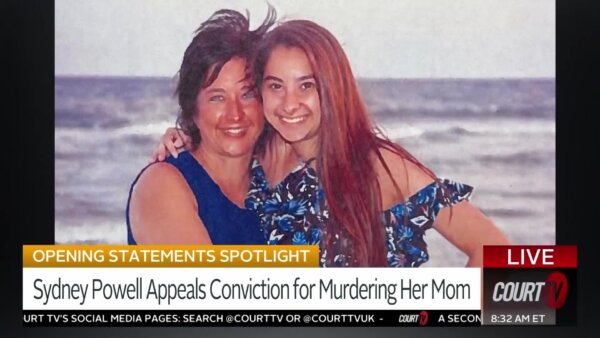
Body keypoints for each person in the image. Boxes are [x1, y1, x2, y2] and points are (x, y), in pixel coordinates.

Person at [153, 17, 510, 266]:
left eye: (306, 85)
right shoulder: (268, 153)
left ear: (331, 87)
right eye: (276, 86)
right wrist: (185, 139)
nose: (290, 104)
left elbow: (497, 252)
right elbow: (224, 142)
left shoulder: (377, 164)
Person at [126, 9, 276, 245]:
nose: (234, 114)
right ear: (192, 109)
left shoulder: (272, 187)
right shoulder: (163, 185)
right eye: (217, 98)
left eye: (247, 95)